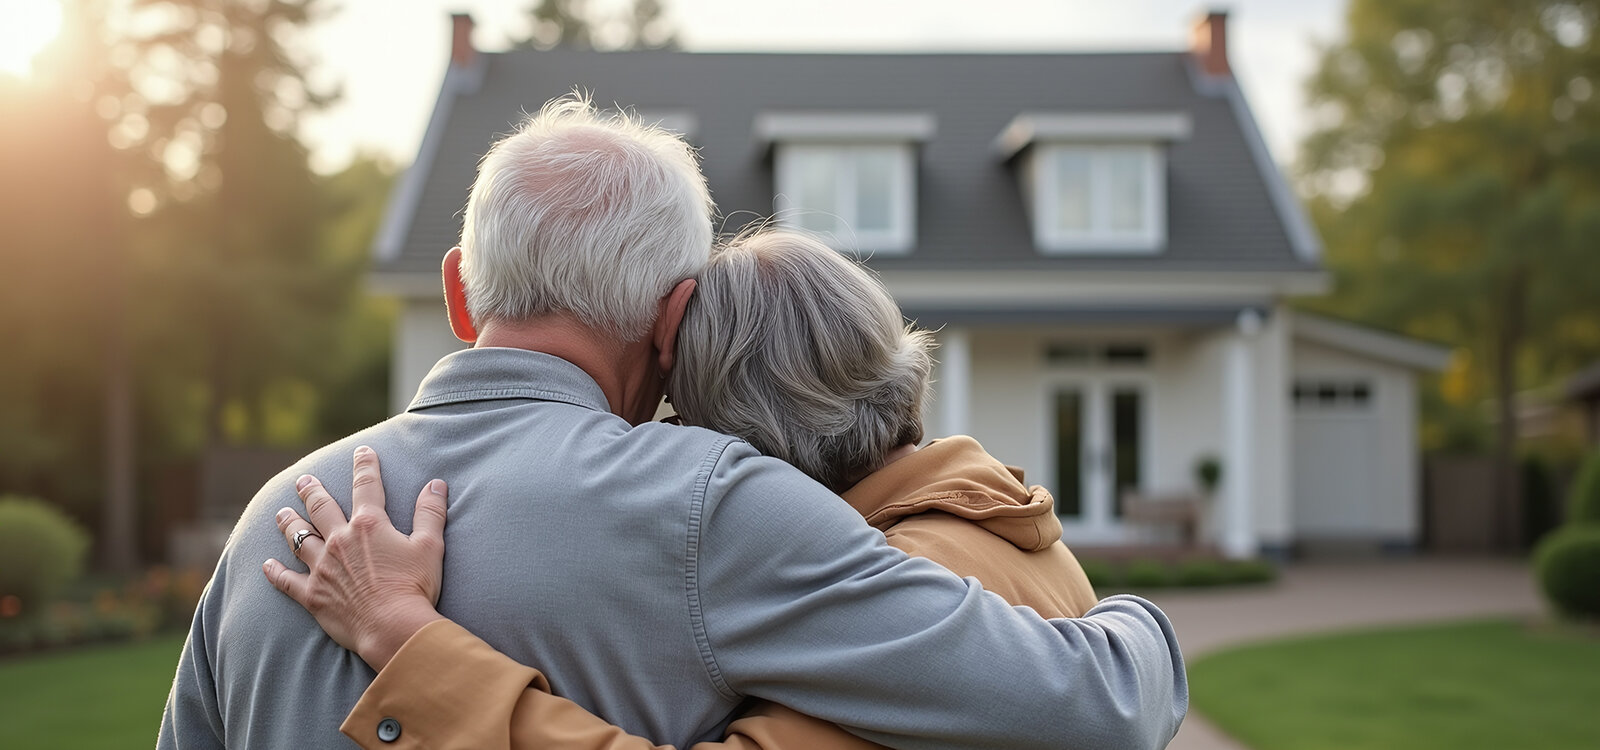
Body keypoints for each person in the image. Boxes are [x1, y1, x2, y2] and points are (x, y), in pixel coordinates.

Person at [160, 95, 1185, 750]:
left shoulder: (267, 526)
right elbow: (1086, 706)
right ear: (674, 320)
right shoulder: (709, 503)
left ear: (460, 295)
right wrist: (1139, 623)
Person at [267, 229, 1144, 750]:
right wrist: (1135, 623)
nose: (668, 443)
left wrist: (409, 644)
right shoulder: (992, 514)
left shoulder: (898, 586)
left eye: (677, 418)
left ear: (740, 436)